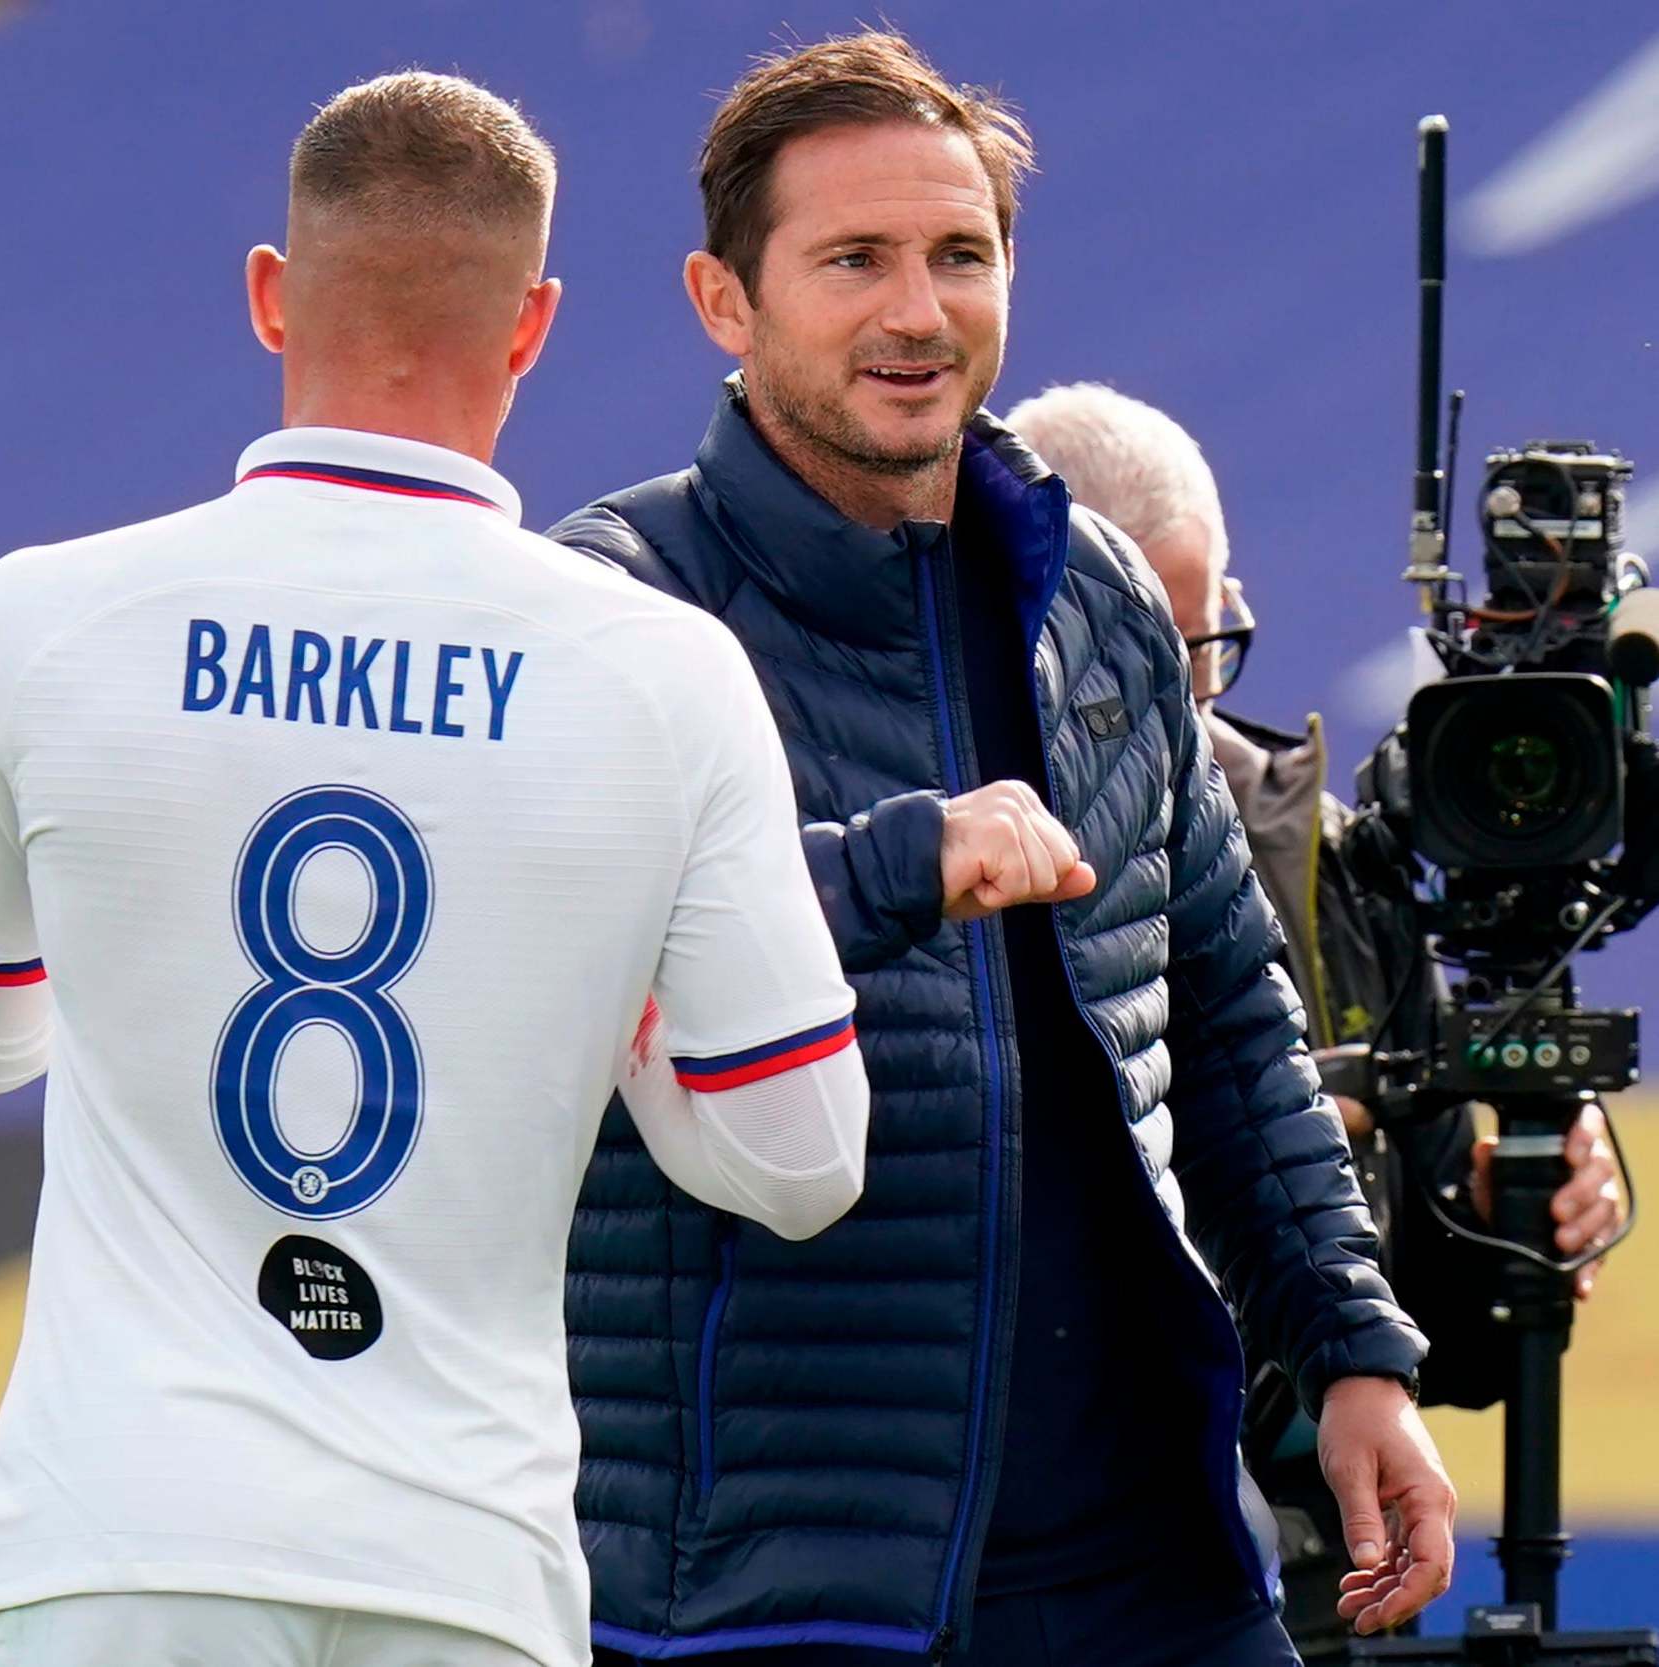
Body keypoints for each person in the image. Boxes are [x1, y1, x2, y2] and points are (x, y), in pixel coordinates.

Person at [0, 71, 872, 1667]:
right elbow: (798, 1153)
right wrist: (604, 987)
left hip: (110, 1539)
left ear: (270, 297)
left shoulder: (41, 613)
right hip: (463, 1557)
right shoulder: (661, 671)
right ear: (534, 323)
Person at [552, 31, 1457, 1666]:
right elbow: (574, 958)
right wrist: (905, 862)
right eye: (853, 260)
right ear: (722, 301)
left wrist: (1348, 1354)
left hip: (1145, 1577)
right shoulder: (611, 604)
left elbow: (1229, 1012)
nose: (916, 311)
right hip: (763, 1591)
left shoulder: (1098, 592)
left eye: (957, 255)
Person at [1008, 379, 1625, 1664]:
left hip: (1295, 1592)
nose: (1180, 699)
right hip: (1013, 1573)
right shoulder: (928, 846)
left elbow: (1444, 1335)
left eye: (1203, 642)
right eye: (1140, 649)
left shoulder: (1319, 863)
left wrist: (1527, 1197)